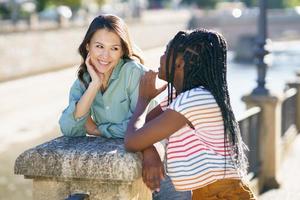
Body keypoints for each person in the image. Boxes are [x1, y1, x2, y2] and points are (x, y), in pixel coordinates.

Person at [58, 14, 190, 200]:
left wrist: (97, 130)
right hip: (115, 165)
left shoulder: (134, 73)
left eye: (114, 48)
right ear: (88, 46)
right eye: (99, 46)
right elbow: (69, 128)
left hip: (161, 165)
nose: (105, 55)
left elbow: (139, 128)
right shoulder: (84, 80)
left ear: (122, 51)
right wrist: (94, 85)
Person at [124, 28, 257, 199]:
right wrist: (150, 152)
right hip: (205, 193)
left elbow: (132, 140)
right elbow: (143, 133)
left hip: (222, 194)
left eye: (166, 52)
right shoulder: (177, 98)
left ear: (180, 62)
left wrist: (143, 99)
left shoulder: (194, 98)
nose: (161, 57)